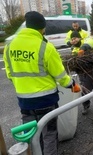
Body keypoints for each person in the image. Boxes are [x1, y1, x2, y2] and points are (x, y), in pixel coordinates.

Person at [3, 11, 80, 155]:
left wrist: (23, 85)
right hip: (46, 101)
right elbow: (61, 76)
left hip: (25, 102)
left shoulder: (10, 46)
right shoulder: (45, 47)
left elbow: (9, 73)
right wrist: (72, 85)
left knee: (31, 134)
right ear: (42, 28)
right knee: (49, 133)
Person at [71, 31, 93, 115]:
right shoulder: (73, 49)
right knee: (85, 91)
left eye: (75, 38)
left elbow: (89, 42)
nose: (74, 40)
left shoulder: (87, 40)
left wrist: (83, 48)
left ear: (79, 37)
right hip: (86, 73)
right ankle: (86, 106)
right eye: (72, 39)